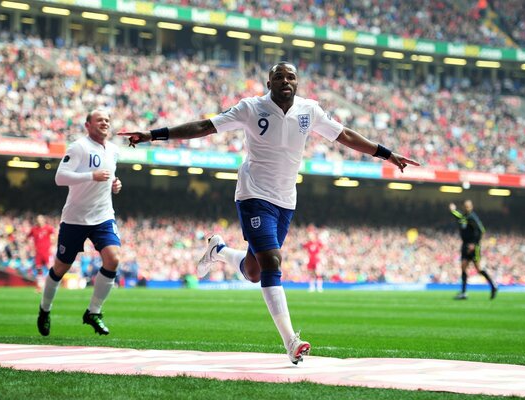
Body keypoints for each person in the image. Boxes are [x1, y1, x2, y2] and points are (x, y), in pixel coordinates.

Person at [120, 62, 419, 364]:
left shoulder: (309, 110)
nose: (285, 81)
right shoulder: (251, 108)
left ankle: (219, 250)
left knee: (254, 272)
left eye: (291, 77)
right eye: (279, 77)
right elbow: (204, 127)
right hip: (253, 194)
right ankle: (291, 341)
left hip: (285, 200)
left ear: (297, 83)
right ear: (269, 82)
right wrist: (152, 134)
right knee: (272, 261)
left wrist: (386, 153)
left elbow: (344, 135)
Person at [37, 109, 123, 337]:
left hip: (103, 216)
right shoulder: (79, 147)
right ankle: (45, 309)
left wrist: (115, 184)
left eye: (107, 119)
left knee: (113, 259)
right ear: (88, 125)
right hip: (75, 218)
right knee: (60, 267)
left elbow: (109, 177)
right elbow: (60, 177)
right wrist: (90, 176)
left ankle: (93, 311)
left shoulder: (113, 150)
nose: (104, 122)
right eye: (99, 120)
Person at [449, 200, 497, 300]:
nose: (467, 208)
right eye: (466, 206)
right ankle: (463, 292)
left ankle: (493, 286)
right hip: (465, 245)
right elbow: (459, 217)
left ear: (471, 207)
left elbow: (481, 230)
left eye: (469, 206)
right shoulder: (464, 217)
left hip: (474, 246)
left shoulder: (472, 217)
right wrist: (453, 210)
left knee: (478, 269)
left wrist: (474, 244)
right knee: (463, 267)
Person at [27, 214, 55, 282]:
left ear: (43, 220)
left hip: (47, 252)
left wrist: (53, 246)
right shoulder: (34, 229)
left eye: (40, 219)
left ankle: (54, 282)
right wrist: (31, 247)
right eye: (38, 220)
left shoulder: (48, 228)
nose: (39, 221)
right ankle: (40, 285)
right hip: (38, 252)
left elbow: (55, 235)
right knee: (38, 268)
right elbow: (28, 237)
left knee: (50, 267)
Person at [303, 227, 324, 292]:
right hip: (310, 260)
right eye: (310, 235)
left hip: (317, 260)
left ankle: (319, 287)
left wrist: (321, 257)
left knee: (318, 273)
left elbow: (323, 249)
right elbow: (304, 250)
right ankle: (312, 287)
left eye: (311, 235)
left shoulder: (318, 242)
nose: (310, 237)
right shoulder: (308, 243)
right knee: (311, 273)